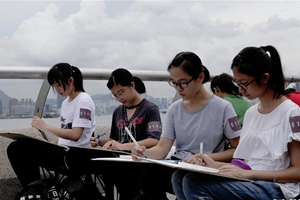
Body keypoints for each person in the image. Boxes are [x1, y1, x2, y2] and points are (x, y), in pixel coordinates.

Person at [172, 45, 300, 200]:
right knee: (179, 177)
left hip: (274, 187)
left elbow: (298, 172)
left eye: (244, 83)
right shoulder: (251, 113)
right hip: (249, 180)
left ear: (265, 78)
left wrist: (250, 174)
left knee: (193, 183)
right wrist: (214, 165)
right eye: (237, 83)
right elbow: (245, 164)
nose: (240, 90)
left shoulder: (292, 113)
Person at [131, 51, 241, 200]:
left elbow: (238, 150)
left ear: (200, 77)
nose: (178, 88)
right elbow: (162, 148)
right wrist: (143, 153)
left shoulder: (223, 108)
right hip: (180, 164)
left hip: (205, 168)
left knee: (185, 178)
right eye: (174, 83)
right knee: (146, 173)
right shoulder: (174, 109)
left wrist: (206, 158)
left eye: (183, 83)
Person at [7, 63, 96, 187]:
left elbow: (75, 135)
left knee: (18, 150)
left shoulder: (83, 100)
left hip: (74, 157)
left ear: (70, 80)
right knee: (16, 147)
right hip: (63, 152)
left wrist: (45, 127)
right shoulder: (66, 103)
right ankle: (33, 189)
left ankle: (34, 189)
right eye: (54, 86)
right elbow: (65, 135)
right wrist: (47, 143)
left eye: (58, 85)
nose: (57, 89)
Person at [90, 68, 162, 200]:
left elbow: (154, 140)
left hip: (140, 160)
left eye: (121, 92)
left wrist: (123, 146)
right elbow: (115, 139)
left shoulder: (150, 109)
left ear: (132, 85)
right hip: (121, 161)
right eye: (115, 95)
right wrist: (100, 142)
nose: (119, 98)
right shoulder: (118, 111)